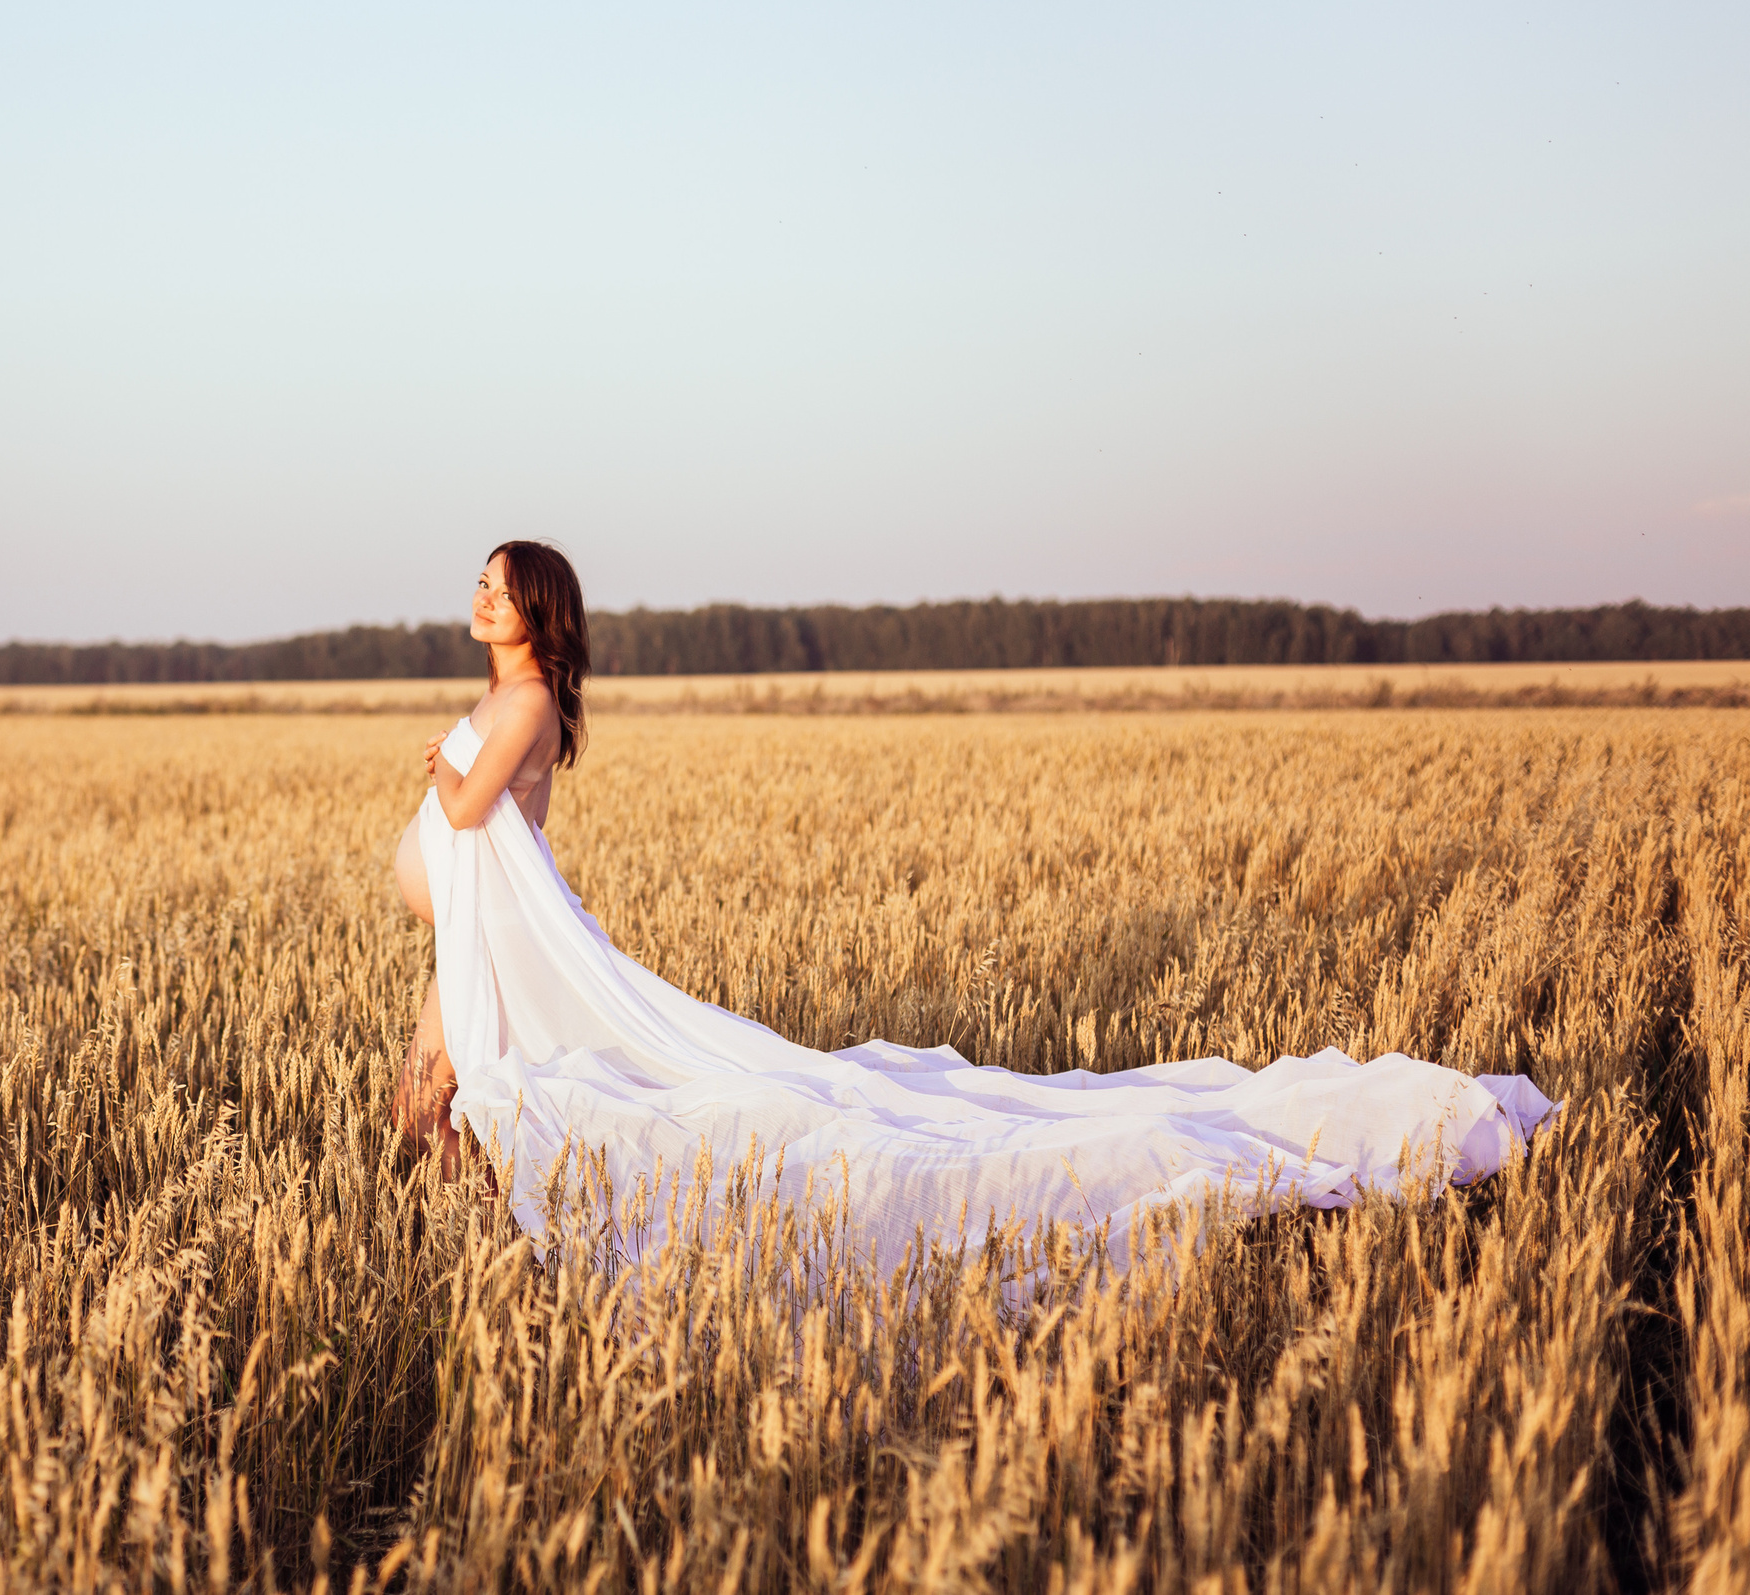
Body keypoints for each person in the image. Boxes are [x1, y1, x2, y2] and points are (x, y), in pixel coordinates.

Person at [390, 540, 1557, 1270]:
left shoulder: (527, 702)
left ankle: (468, 1252)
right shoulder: (515, 699)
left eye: (500, 588)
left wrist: (429, 756)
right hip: (485, 940)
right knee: (446, 1099)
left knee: (462, 1100)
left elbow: (460, 813)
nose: (482, 598)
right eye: (480, 585)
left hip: (494, 946)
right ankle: (460, 1252)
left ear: (540, 611)